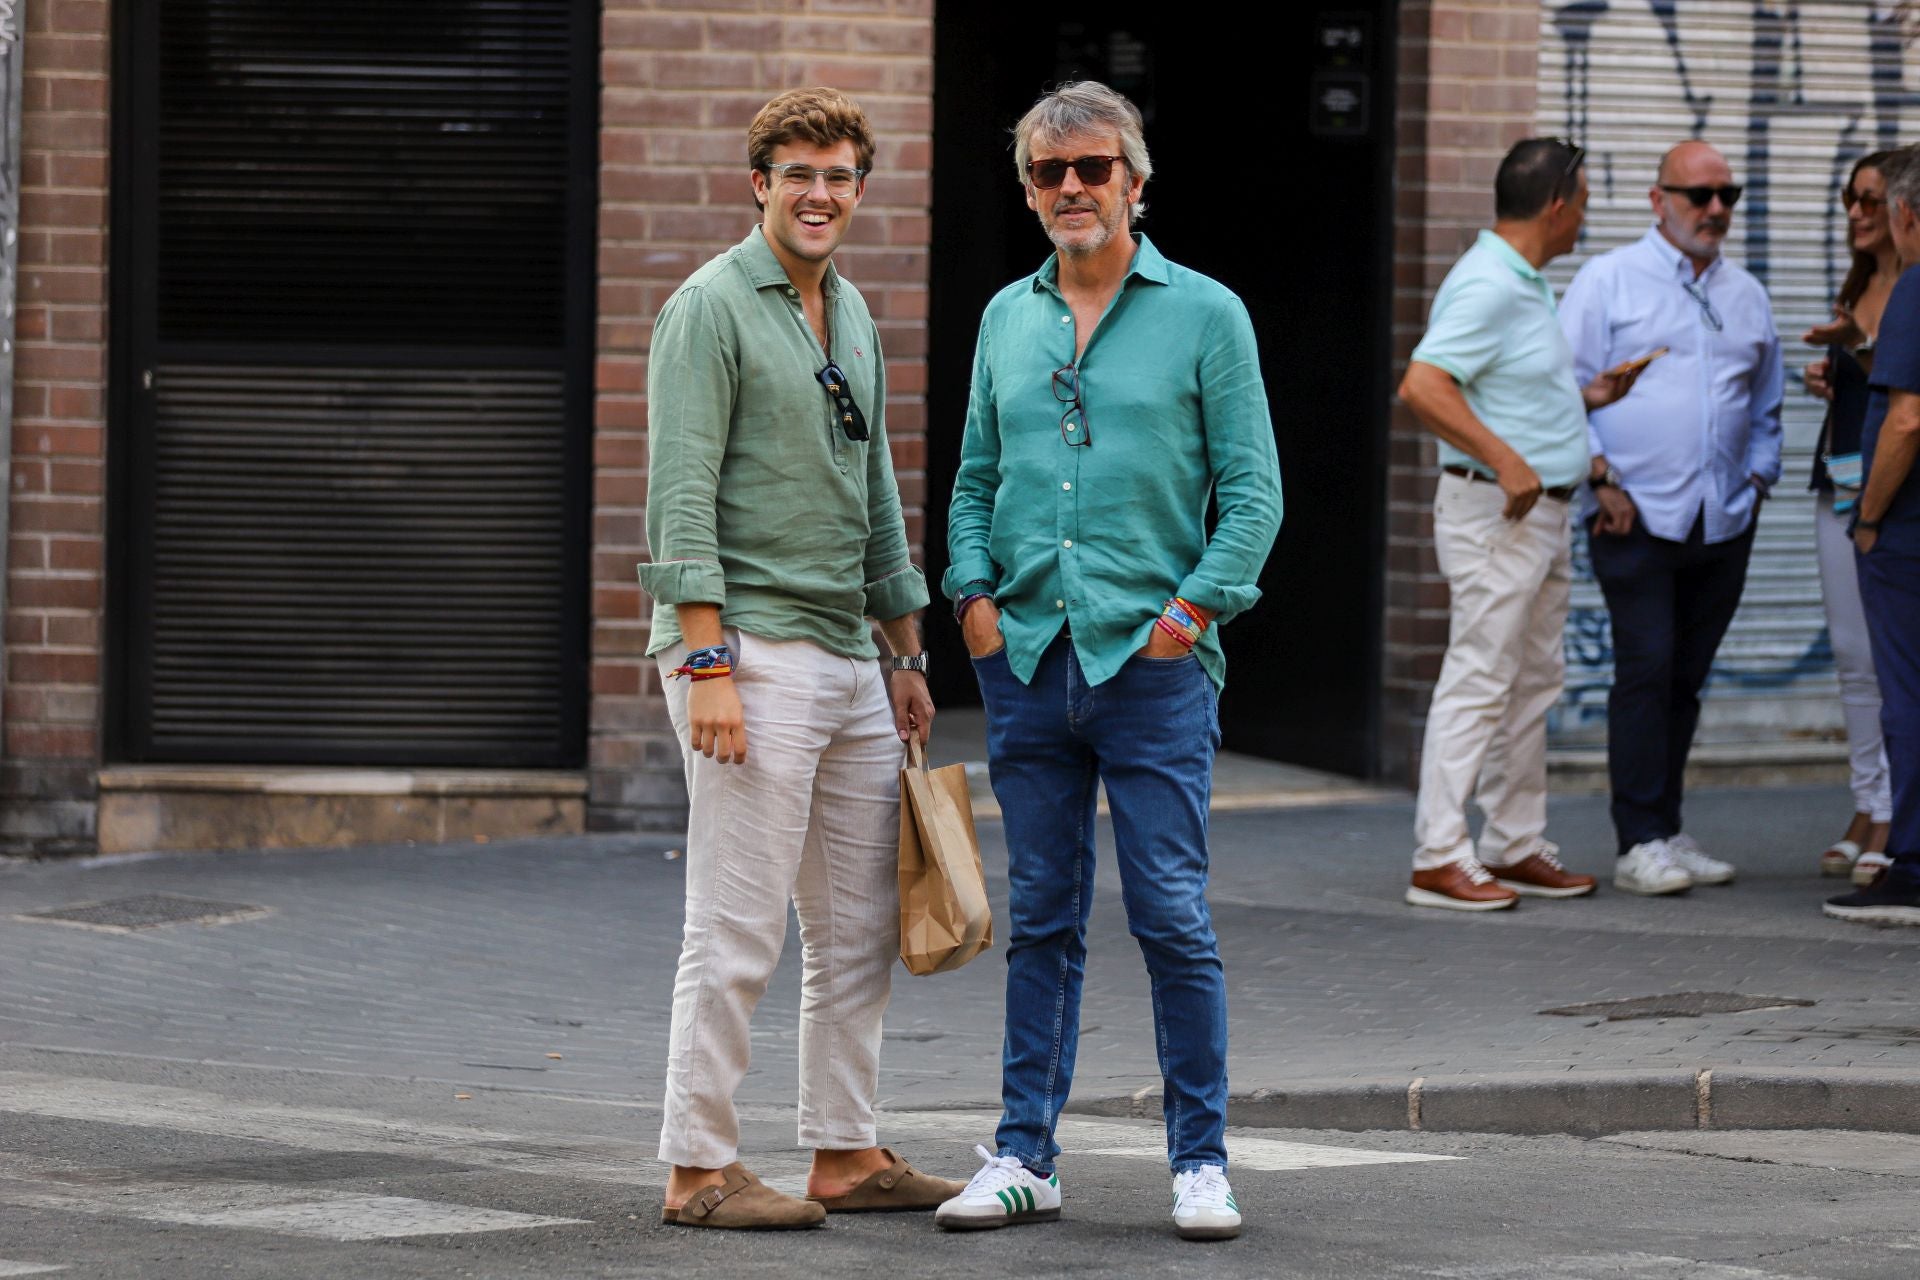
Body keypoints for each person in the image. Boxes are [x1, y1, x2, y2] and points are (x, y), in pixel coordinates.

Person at [937, 81, 1283, 1241]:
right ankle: (1026, 1152)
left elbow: (1253, 497)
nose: (1072, 188)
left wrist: (1187, 618)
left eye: (1093, 168)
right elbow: (975, 477)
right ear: (1030, 192)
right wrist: (973, 602)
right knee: (1041, 916)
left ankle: (1201, 1160)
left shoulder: (1208, 314)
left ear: (1137, 180)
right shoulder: (1005, 317)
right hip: (1027, 660)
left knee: (1172, 916)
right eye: (1050, 173)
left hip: (1154, 665)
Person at [638, 86, 963, 1230]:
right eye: (797, 174)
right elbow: (678, 499)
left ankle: (843, 1147)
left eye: (838, 176)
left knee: (860, 922)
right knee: (735, 925)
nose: (818, 193)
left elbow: (873, 487)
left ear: (860, 191)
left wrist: (905, 643)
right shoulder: (710, 308)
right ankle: (697, 1166)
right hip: (749, 654)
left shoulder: (851, 310)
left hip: (844, 654)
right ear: (759, 184)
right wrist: (708, 661)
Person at [1402, 137, 1642, 912]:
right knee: (1480, 679)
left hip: (1538, 515)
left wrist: (1586, 401)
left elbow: (1505, 389)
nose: (1587, 218)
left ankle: (1512, 840)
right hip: (1499, 512)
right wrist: (1507, 459)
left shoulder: (1525, 281)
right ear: (1558, 204)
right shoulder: (1490, 284)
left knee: (1531, 681)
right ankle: (1439, 855)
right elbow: (1425, 384)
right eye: (1586, 202)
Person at [1559, 140, 1785, 896]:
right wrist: (1599, 478)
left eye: (1730, 195)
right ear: (1659, 200)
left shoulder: (1746, 293)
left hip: (1721, 520)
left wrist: (1758, 477)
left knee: (1686, 677)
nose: (1717, 210)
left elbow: (1767, 402)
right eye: (1700, 196)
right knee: (1647, 670)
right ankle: (1638, 839)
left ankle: (1669, 826)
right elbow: (1561, 387)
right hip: (1633, 514)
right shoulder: (1608, 280)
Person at [1802, 152, 1902, 886]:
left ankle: (1897, 809)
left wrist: (1857, 354)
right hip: (1837, 478)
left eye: (1871, 201)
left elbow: (1907, 395)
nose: (1858, 214)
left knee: (1893, 658)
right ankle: (1868, 801)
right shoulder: (1859, 284)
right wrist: (1831, 373)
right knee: (1851, 654)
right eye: (1850, 199)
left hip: (1894, 494)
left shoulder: (1916, 286)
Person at [1827, 143, 1920, 928]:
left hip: (1902, 522)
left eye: (1876, 200)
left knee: (1904, 690)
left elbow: (1907, 417)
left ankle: (1911, 856)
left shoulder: (1916, 287)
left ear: (1905, 212)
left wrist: (1867, 517)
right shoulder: (1874, 285)